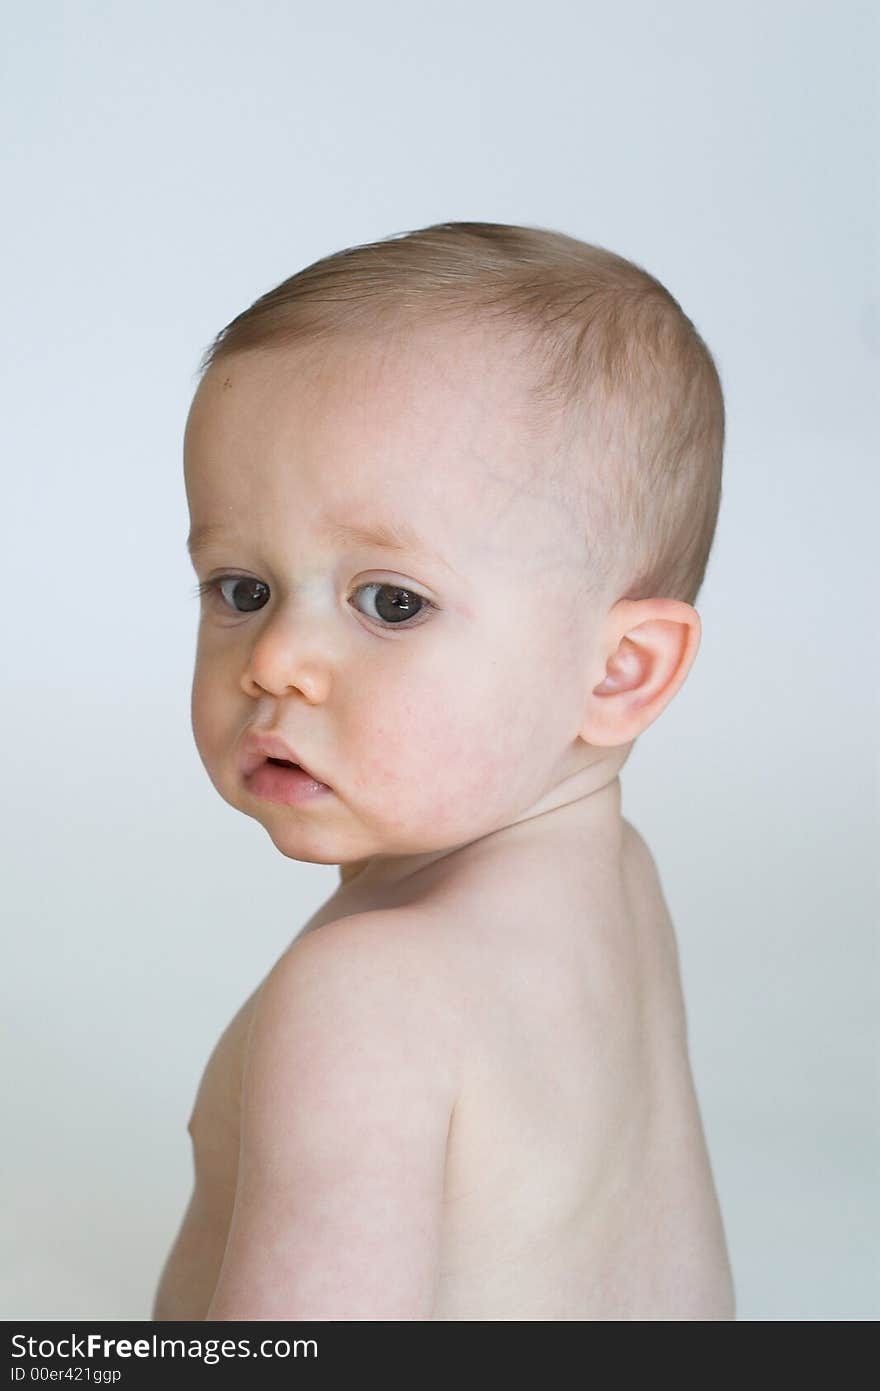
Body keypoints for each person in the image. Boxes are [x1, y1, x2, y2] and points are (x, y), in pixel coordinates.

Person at [152, 221, 736, 1320]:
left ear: (617, 669)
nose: (275, 660)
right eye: (242, 588)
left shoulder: (367, 997)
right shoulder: (618, 882)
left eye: (390, 601)